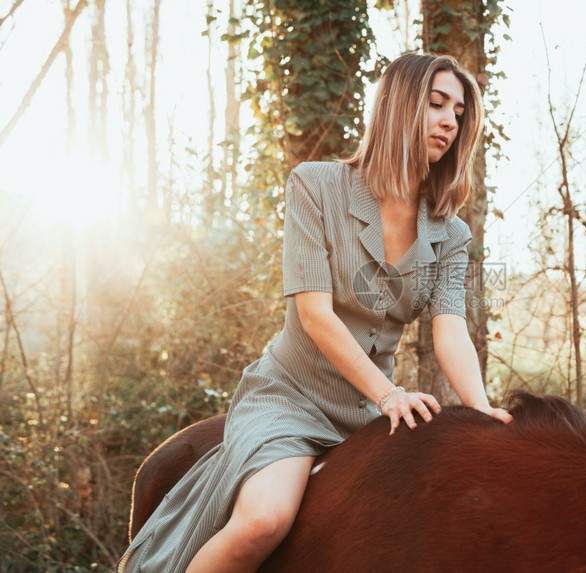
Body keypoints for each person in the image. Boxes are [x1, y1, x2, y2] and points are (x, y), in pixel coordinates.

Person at [117, 52, 512, 573]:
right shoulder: (315, 186)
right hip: (290, 399)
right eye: (436, 104)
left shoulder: (452, 232)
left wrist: (480, 408)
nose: (449, 121)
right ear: (398, 106)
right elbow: (315, 315)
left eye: (459, 112)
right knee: (264, 521)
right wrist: (390, 393)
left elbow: (451, 328)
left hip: (368, 418)